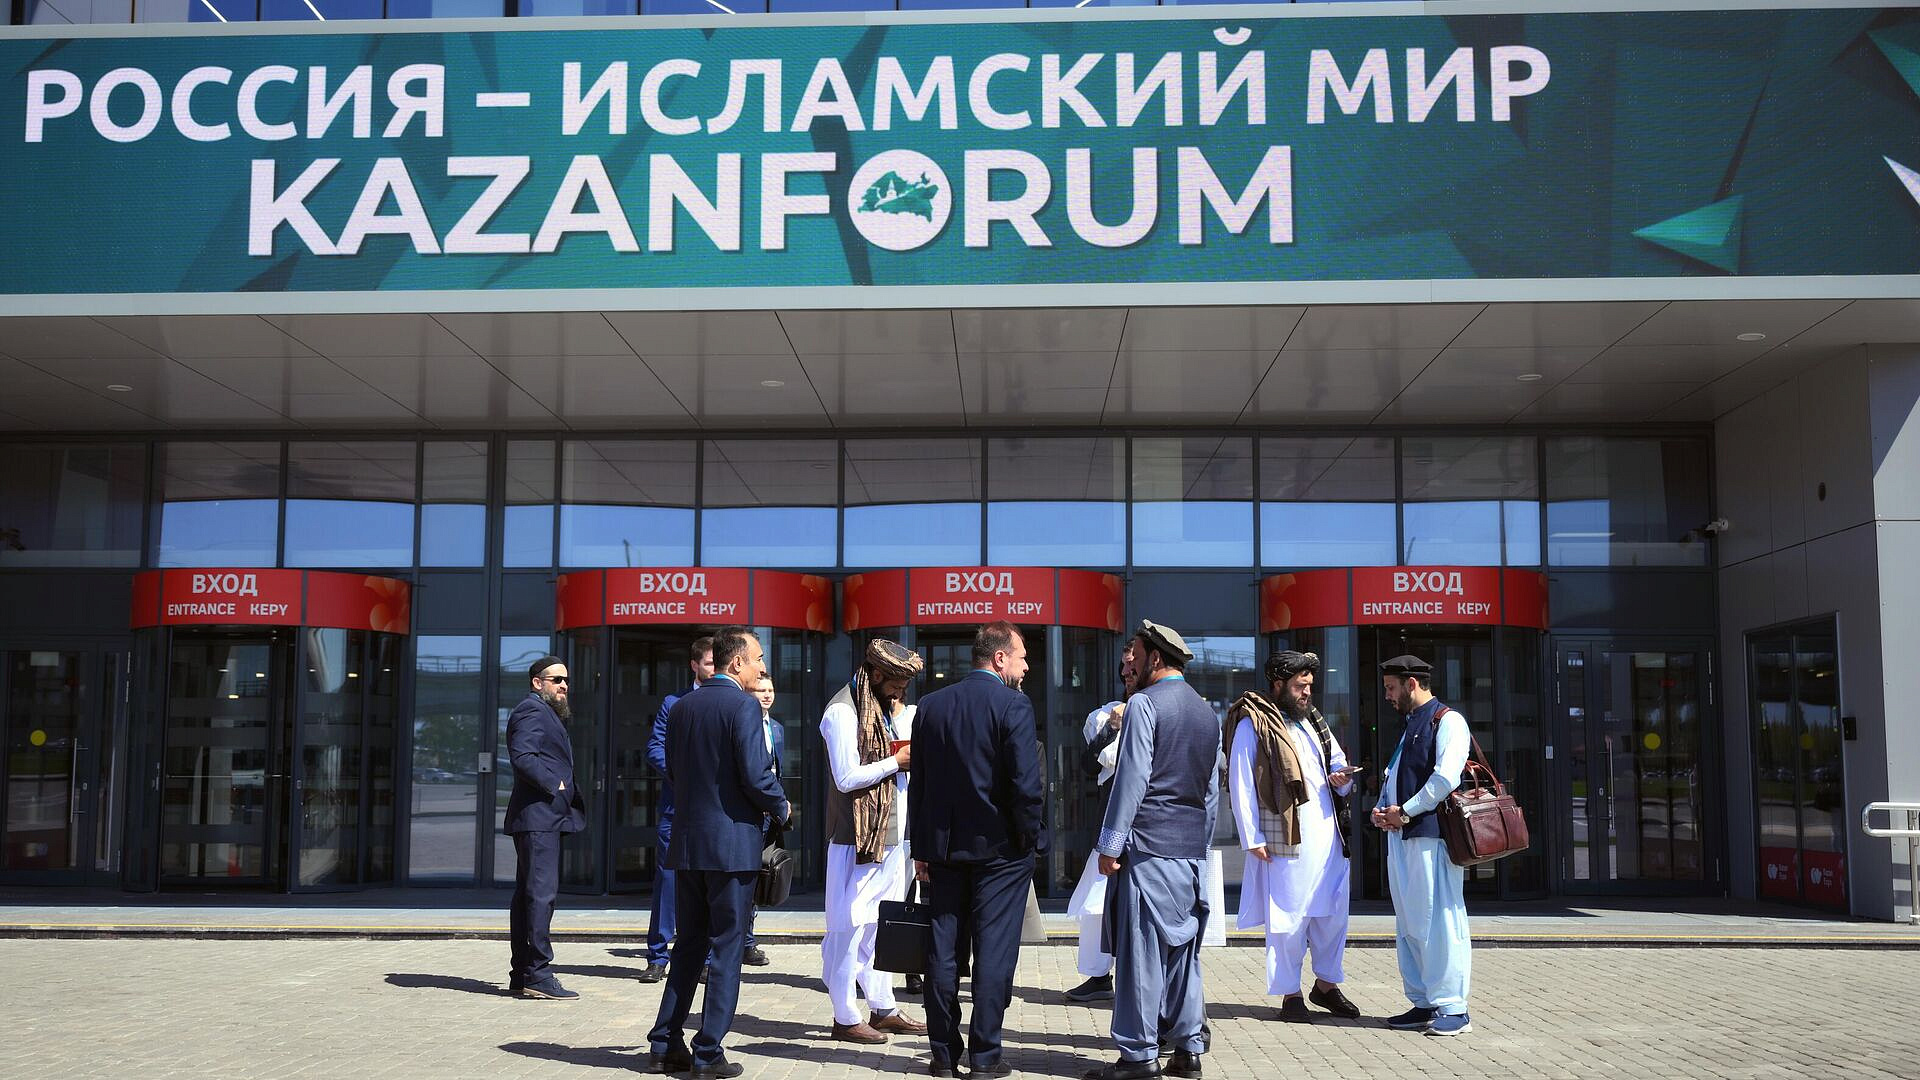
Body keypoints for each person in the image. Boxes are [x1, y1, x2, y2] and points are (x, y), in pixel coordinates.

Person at [645, 627, 791, 1079]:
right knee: (727, 948)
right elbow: (756, 774)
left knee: (689, 945)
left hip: (689, 843)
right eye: (758, 659)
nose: (762, 667)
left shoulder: (682, 706)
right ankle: (708, 1053)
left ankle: (665, 1043)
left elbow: (673, 769)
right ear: (737, 663)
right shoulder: (743, 706)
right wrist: (782, 805)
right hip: (730, 847)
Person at [909, 622, 1047, 1079]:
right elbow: (1026, 786)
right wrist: (1031, 840)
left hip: (944, 851)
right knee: (994, 953)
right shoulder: (1013, 705)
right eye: (1022, 657)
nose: (1027, 667)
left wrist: (921, 847)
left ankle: (943, 1055)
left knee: (943, 951)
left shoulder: (931, 706)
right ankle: (985, 1058)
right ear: (999, 658)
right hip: (1001, 852)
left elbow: (919, 784)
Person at [1086, 621, 1218, 1080]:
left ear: (1155, 659)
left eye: (1136, 656)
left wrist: (1109, 844)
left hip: (1146, 847)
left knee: (1141, 956)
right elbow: (1210, 793)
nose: (1131, 664)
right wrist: (1200, 846)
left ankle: (1139, 1057)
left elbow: (1132, 778)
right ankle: (1188, 1050)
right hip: (1190, 852)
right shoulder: (1206, 712)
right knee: (1183, 955)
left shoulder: (1144, 703)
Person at [1226, 650, 1365, 1024]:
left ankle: (1326, 985)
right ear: (1278, 685)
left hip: (1328, 835)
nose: (1307, 693)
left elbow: (1337, 763)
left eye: (1310, 686)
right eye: (1301, 686)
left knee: (1332, 913)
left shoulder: (1314, 721)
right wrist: (1252, 836)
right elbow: (1240, 782)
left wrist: (1342, 778)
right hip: (1286, 836)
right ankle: (1291, 993)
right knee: (1288, 918)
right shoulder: (1253, 724)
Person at [819, 639, 929, 1044]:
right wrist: (895, 762)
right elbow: (846, 777)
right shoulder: (841, 711)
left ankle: (883, 1008)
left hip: (893, 838)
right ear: (877, 674)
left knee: (881, 926)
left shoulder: (881, 707)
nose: (900, 693)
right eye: (896, 684)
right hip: (856, 841)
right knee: (848, 927)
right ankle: (845, 1016)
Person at [1372, 654, 1474, 1037]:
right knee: (1410, 922)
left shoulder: (1448, 721)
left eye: (1391, 688)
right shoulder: (1414, 723)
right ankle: (1424, 1002)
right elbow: (1398, 775)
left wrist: (1405, 811)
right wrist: (1383, 810)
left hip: (1432, 838)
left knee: (1440, 920)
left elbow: (1445, 778)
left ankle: (1454, 1007)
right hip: (1404, 836)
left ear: (1411, 684)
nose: (1387, 695)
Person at [504, 655, 588, 1001]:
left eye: (566, 680)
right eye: (556, 680)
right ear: (537, 683)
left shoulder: (544, 711)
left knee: (529, 895)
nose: (564, 685)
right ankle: (538, 973)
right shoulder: (531, 710)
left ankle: (523, 972)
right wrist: (557, 784)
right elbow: (523, 756)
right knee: (540, 895)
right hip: (538, 817)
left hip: (541, 818)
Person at [641, 636, 715, 984]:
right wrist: (683, 774)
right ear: (694, 666)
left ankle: (706, 959)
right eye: (710, 663)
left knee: (710, 886)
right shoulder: (674, 704)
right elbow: (655, 748)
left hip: (715, 813)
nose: (715, 669)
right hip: (678, 808)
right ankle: (657, 956)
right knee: (668, 882)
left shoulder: (733, 702)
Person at [1063, 658, 1136, 1003]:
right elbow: (1090, 764)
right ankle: (1098, 975)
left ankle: (1140, 980)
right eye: (1125, 667)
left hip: (1151, 819)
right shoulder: (1105, 715)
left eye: (1135, 666)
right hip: (1111, 818)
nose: (1129, 673)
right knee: (1096, 901)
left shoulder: (1164, 710)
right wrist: (1113, 728)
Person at [745, 675, 786, 967]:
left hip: (770, 814)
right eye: (761, 690)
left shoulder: (777, 728)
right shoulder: (745, 724)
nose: (767, 695)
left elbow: (776, 771)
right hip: (750, 812)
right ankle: (743, 941)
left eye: (771, 690)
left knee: (760, 874)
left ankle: (748, 940)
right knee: (745, 877)